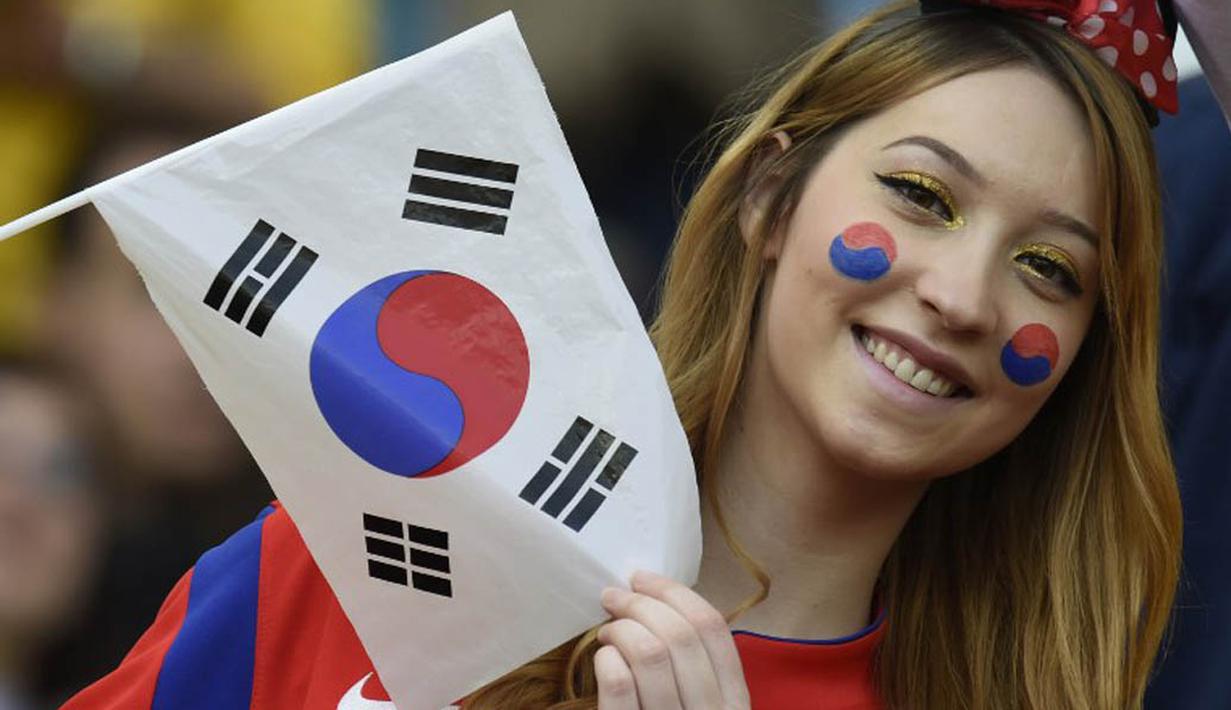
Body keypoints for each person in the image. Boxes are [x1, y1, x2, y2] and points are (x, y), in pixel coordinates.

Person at [62, 1, 1227, 708]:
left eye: (1051, 270)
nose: (963, 295)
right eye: (920, 195)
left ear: (1082, 354)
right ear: (771, 197)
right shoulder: (393, 521)